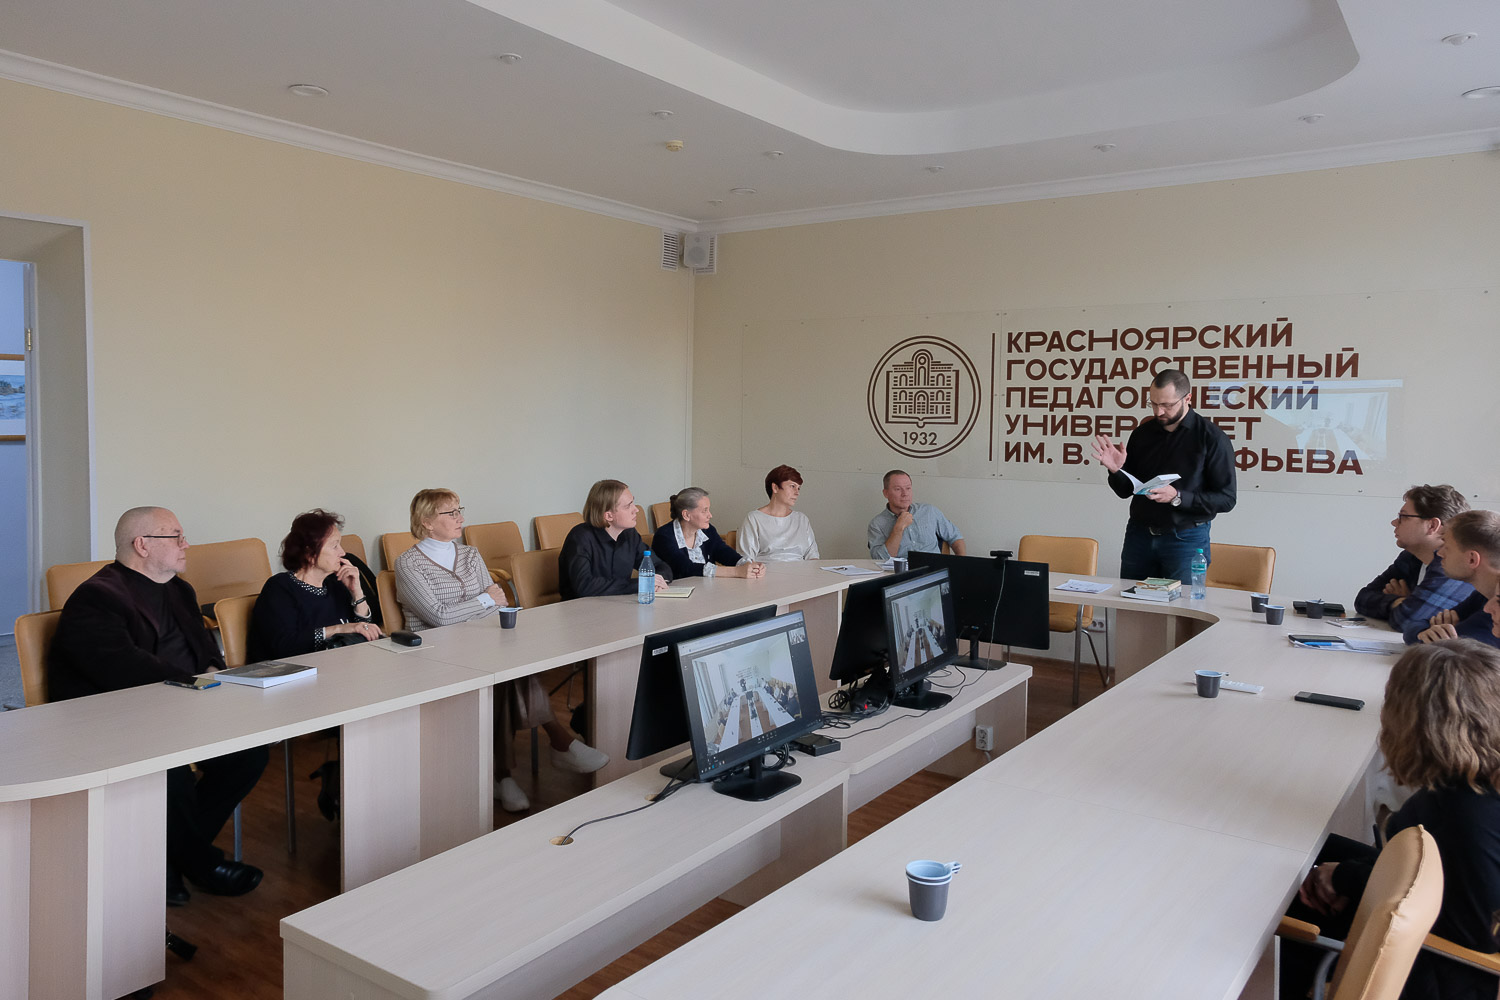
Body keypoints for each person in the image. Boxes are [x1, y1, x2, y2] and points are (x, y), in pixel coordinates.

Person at [47, 506, 268, 905]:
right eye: (175, 536)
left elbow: (204, 650)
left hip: (178, 706)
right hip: (113, 717)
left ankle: (165, 860)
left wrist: (220, 680)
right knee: (171, 772)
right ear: (142, 545)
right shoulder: (97, 597)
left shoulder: (179, 588)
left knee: (248, 754)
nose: (187, 544)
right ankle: (200, 863)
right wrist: (196, 685)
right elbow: (123, 669)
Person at [1283, 639, 1500, 1000]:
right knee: (1305, 852)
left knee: (1282, 900)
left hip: (1434, 968)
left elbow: (1455, 919)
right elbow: (1441, 880)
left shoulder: (1457, 815)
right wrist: (1345, 875)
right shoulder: (1477, 785)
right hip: (1441, 927)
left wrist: (1345, 879)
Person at [396, 489, 607, 811]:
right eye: (451, 513)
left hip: (481, 644)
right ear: (426, 522)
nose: (461, 518)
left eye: (459, 510)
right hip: (436, 654)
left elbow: (498, 604)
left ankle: (504, 775)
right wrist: (483, 600)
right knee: (506, 676)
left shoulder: (470, 554)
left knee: (508, 674)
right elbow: (438, 617)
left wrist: (481, 605)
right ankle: (557, 744)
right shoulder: (408, 564)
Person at [1090, 368, 1237, 583]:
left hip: (1186, 538)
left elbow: (1227, 499)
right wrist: (1115, 470)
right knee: (1132, 600)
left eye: (1167, 405)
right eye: (1153, 403)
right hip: (1139, 535)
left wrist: (1177, 496)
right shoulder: (1142, 434)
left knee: (1183, 602)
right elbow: (1125, 491)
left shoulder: (1212, 438)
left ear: (1188, 398)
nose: (1159, 412)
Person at [248, 509, 382, 662]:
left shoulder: (336, 584)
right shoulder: (279, 588)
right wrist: (339, 629)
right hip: (295, 672)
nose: (342, 552)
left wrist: (356, 593)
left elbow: (365, 634)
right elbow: (285, 646)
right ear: (310, 553)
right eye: (335, 546)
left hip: (339, 666)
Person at [1353, 485, 1473, 635]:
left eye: (1403, 517)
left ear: (1432, 525)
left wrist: (1406, 603)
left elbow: (1407, 620)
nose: (1394, 522)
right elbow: (1362, 599)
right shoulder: (1410, 557)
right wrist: (1399, 601)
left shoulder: (1452, 566)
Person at [559, 479, 673, 599]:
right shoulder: (580, 537)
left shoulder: (630, 534)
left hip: (618, 604)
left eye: (633, 503)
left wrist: (657, 581)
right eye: (628, 506)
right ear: (608, 516)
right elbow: (584, 586)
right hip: (581, 608)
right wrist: (641, 584)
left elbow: (660, 565)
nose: (636, 509)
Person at [1413, 509, 1500, 647]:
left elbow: (1434, 646)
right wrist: (1429, 632)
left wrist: (1431, 634)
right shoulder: (1482, 595)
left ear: (1472, 559)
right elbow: (1414, 626)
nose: (1439, 553)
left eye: (1447, 547)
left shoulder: (1492, 611)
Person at [652, 487, 765, 579]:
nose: (710, 515)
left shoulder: (707, 530)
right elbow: (685, 568)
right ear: (686, 515)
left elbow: (723, 552)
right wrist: (737, 572)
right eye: (704, 511)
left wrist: (746, 564)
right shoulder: (664, 536)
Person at [867, 469, 966, 561]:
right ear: (886, 493)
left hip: (934, 569)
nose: (905, 493)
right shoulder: (877, 524)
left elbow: (955, 537)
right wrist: (898, 529)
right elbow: (880, 559)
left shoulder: (929, 511)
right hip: (901, 572)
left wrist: (961, 565)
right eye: (898, 489)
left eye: (908, 488)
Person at [737, 464, 820, 563]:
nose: (797, 492)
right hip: (766, 571)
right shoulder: (754, 519)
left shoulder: (802, 519)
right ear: (775, 487)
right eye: (792, 486)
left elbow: (812, 555)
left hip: (802, 571)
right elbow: (746, 560)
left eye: (798, 488)